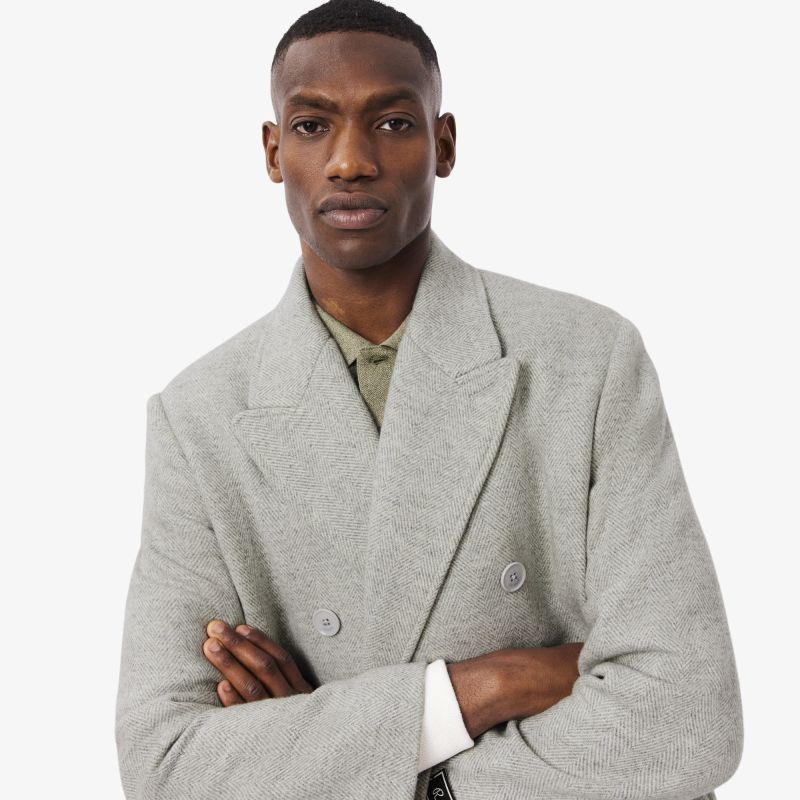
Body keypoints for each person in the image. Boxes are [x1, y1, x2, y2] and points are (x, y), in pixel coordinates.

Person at [114, 1, 744, 798]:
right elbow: (164, 763)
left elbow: (688, 718)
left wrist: (341, 756)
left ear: (443, 144)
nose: (350, 160)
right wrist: (483, 687)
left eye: (392, 123)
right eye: (312, 126)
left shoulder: (586, 359)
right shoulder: (197, 417)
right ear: (273, 152)